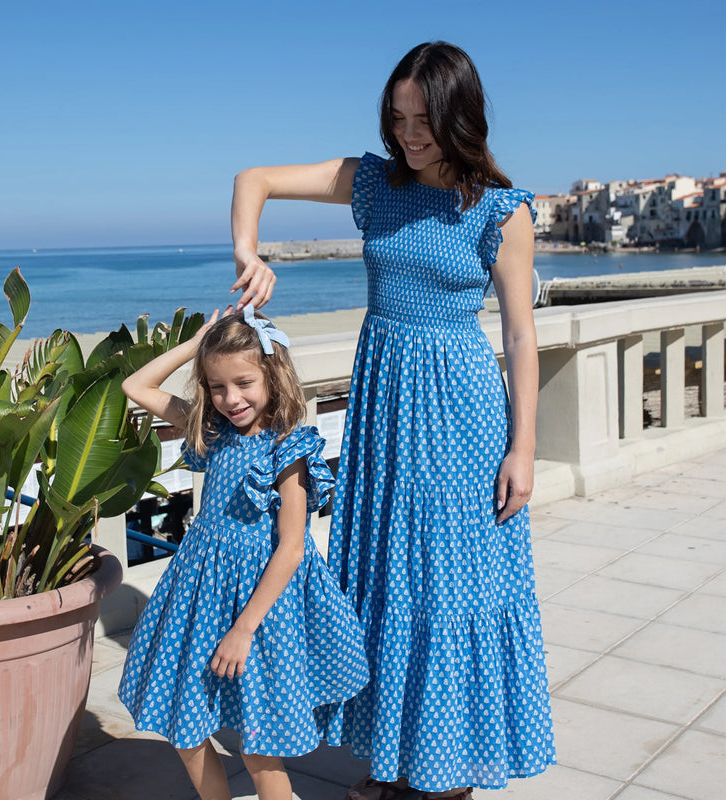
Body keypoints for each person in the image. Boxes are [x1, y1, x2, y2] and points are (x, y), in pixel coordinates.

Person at [229, 41, 555, 800]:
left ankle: (448, 776)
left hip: (460, 414)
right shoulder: (374, 182)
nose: (409, 136)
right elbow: (254, 179)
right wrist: (249, 255)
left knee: (449, 584)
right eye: (398, 119)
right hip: (384, 411)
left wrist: (524, 448)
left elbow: (519, 335)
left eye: (423, 121)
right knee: (386, 577)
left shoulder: (500, 209)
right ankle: (402, 763)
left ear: (459, 118)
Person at [117, 306, 370, 800]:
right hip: (201, 593)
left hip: (261, 609)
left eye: (244, 383)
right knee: (184, 726)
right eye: (217, 387)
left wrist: (243, 629)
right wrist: (199, 344)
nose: (231, 398)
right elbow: (136, 386)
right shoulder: (212, 431)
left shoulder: (288, 449)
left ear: (273, 376)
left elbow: (292, 548)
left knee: (258, 747)